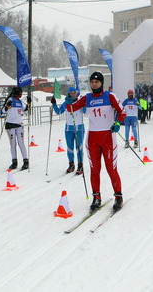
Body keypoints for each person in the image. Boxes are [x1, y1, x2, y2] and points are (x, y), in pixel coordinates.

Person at [66, 71, 126, 211]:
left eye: (97, 82)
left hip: (108, 137)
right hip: (92, 138)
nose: (94, 84)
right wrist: (68, 101)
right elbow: (72, 108)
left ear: (101, 83)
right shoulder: (87, 98)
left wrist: (117, 123)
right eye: (92, 82)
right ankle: (96, 197)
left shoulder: (110, 96)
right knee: (94, 169)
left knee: (111, 168)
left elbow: (122, 111)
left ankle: (118, 196)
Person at [51, 87, 86, 174]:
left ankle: (80, 165)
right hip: (68, 129)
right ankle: (71, 164)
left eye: (74, 93)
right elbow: (58, 112)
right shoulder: (65, 103)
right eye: (71, 93)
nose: (73, 94)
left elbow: (85, 112)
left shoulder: (80, 102)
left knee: (79, 147)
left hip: (79, 128)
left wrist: (84, 103)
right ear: (69, 93)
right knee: (70, 148)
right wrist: (54, 104)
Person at [3, 86, 31, 170]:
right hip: (10, 125)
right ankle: (14, 162)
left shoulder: (20, 102)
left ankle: (26, 161)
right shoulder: (10, 100)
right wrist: (7, 106)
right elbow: (3, 111)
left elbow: (25, 111)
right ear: (16, 93)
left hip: (19, 125)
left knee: (21, 143)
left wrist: (29, 104)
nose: (21, 94)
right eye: (20, 93)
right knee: (13, 144)